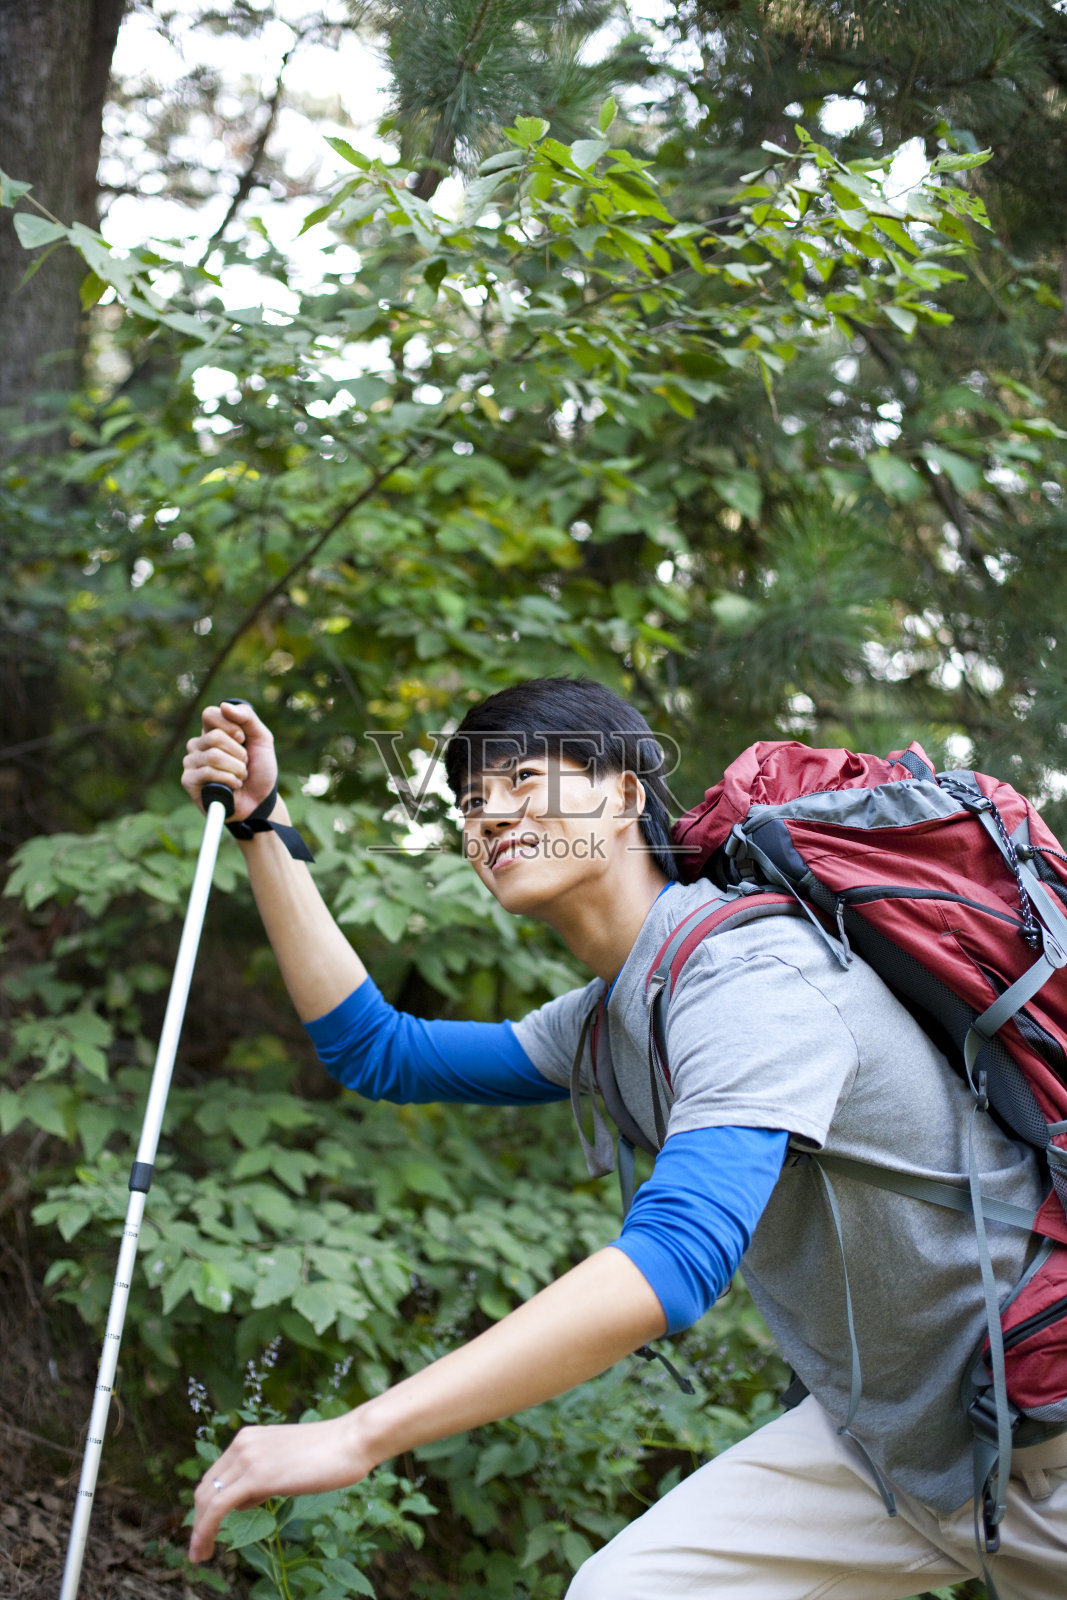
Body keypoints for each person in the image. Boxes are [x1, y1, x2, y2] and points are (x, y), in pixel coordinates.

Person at [180, 678, 1067, 1599]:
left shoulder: (752, 977)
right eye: (468, 804)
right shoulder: (615, 1016)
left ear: (625, 794)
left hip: (1042, 1435)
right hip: (890, 1450)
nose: (488, 817)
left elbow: (673, 1260)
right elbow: (381, 1052)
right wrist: (261, 823)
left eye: (523, 778)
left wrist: (357, 1433)